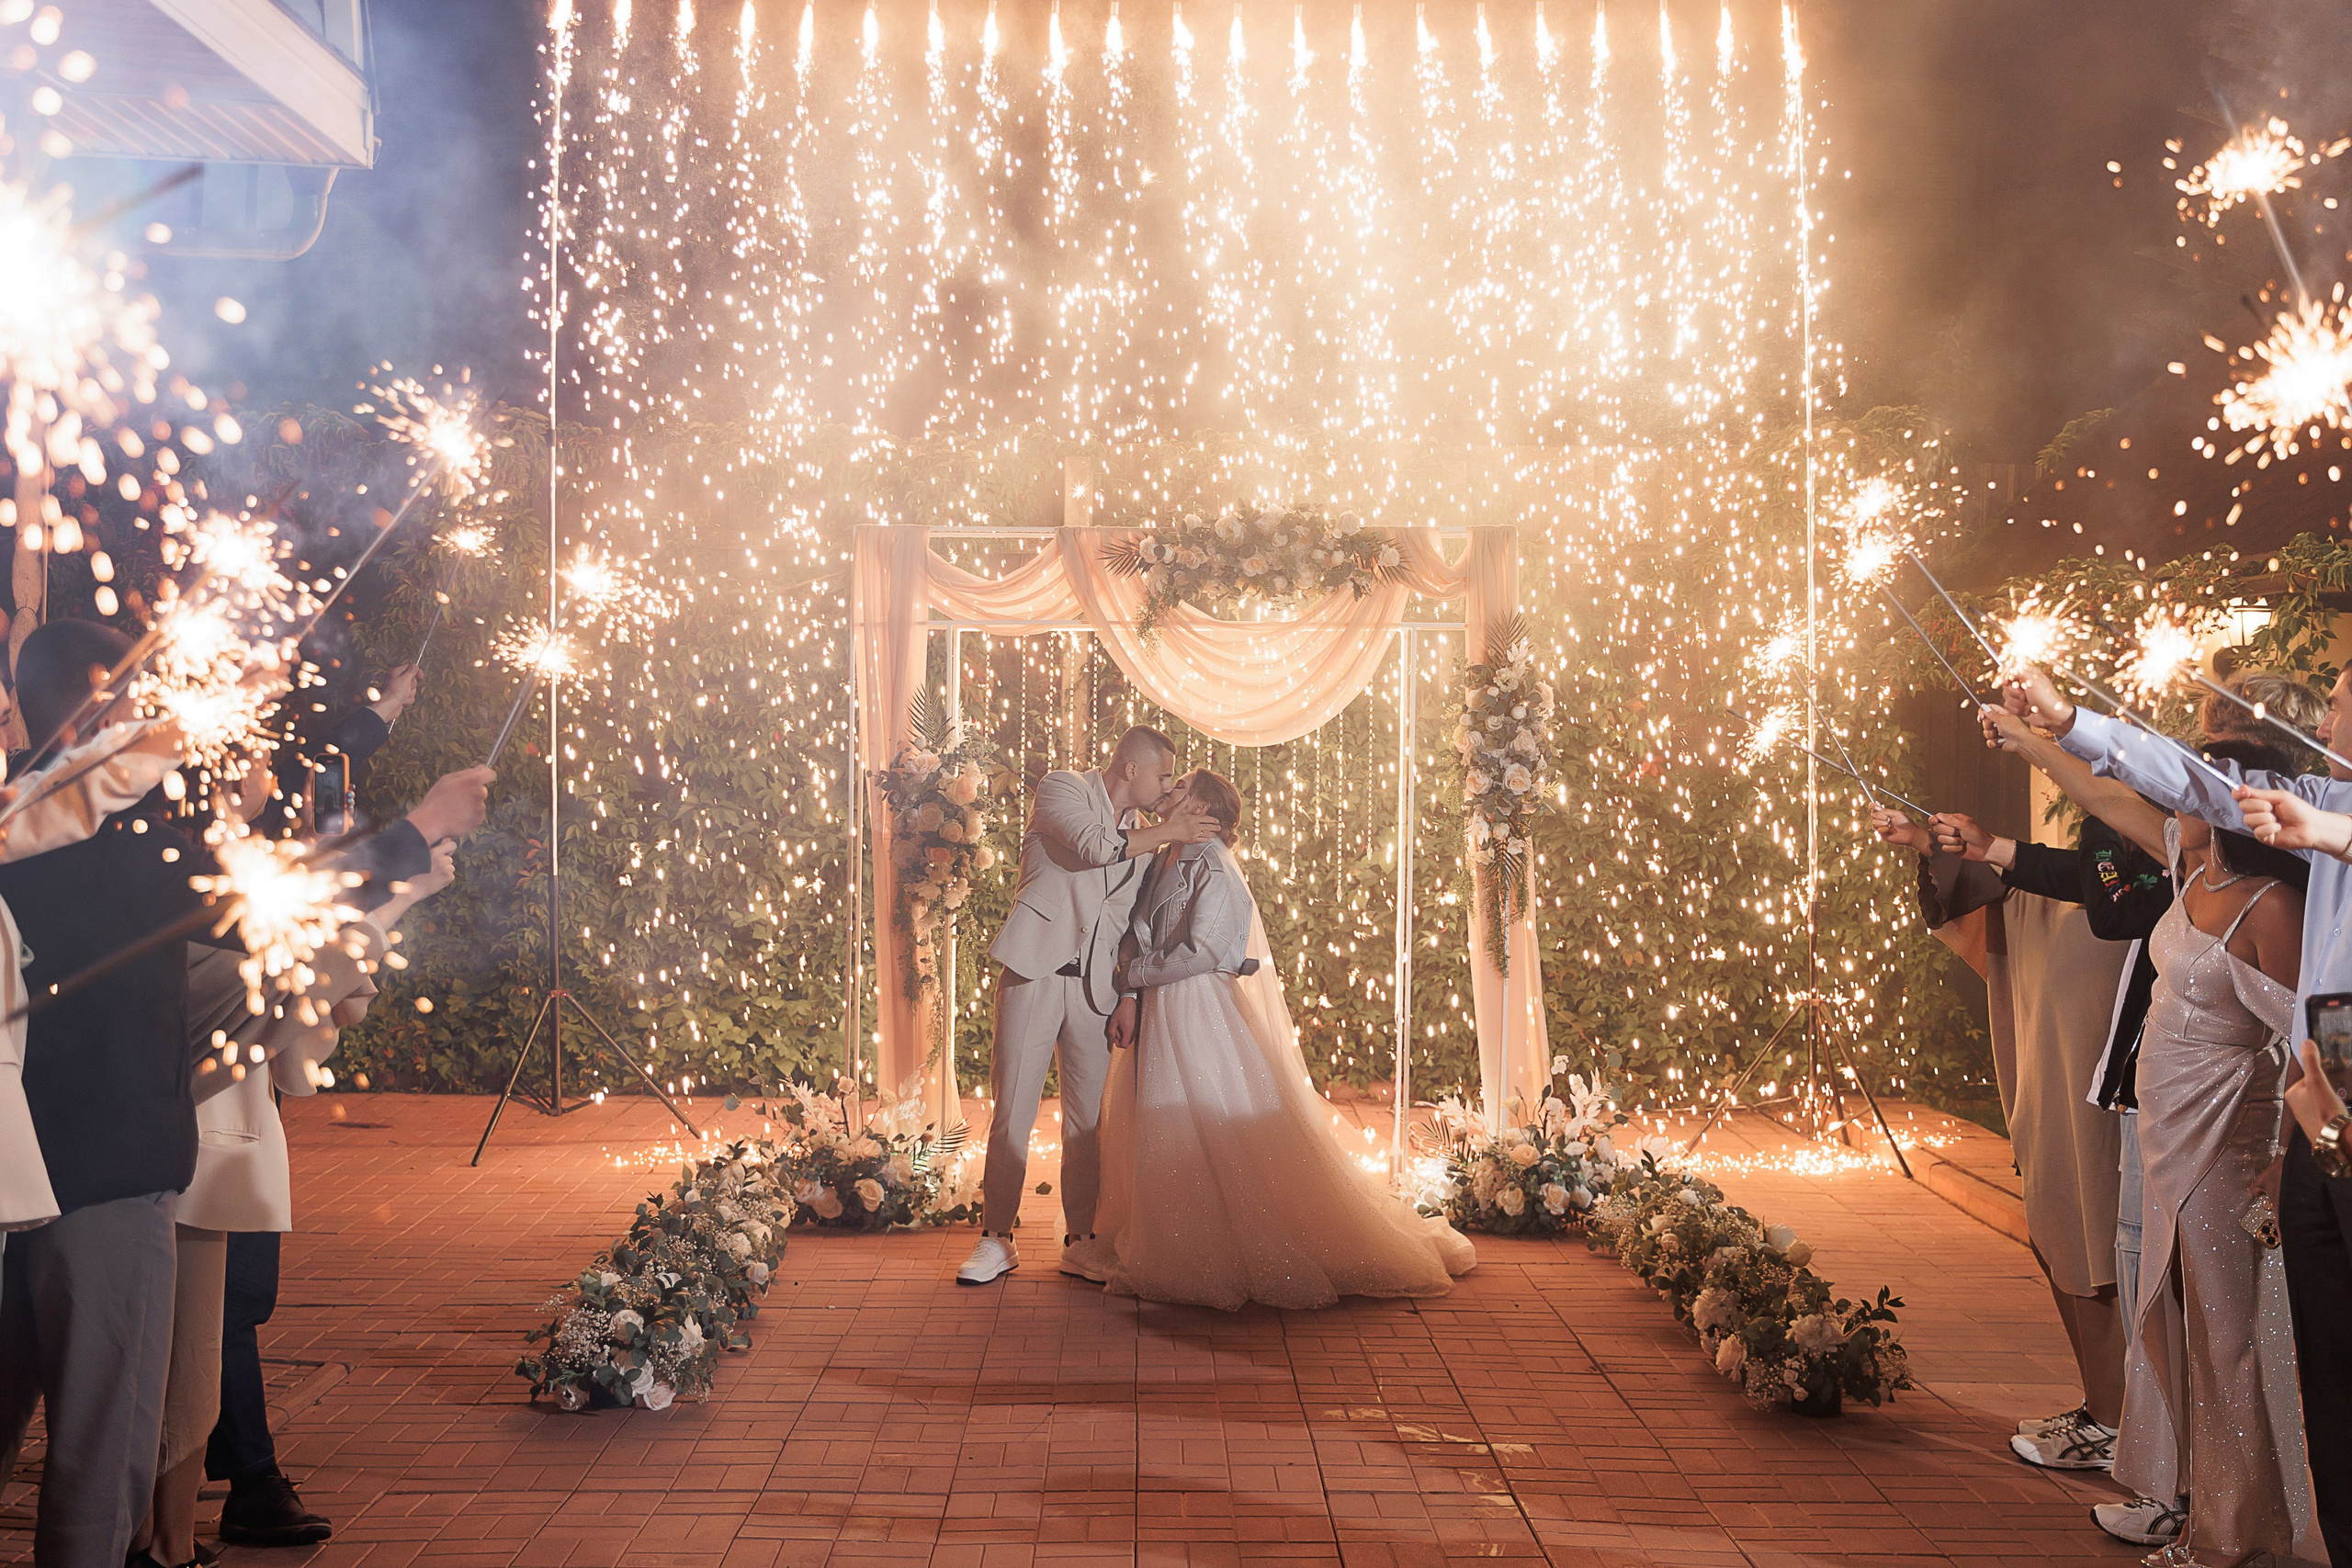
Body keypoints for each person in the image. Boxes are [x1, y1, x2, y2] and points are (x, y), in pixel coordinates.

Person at [0, 621, 489, 1568]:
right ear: (109, 712)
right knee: (100, 1469)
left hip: (20, 1177)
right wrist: (421, 828)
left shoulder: (21, 821)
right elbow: (270, 904)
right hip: (105, 1180)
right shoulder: (112, 842)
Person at [2003, 666, 2348, 1568]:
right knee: (2225, 1334)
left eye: (2345, 699)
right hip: (2222, 1121)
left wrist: (2287, 1143)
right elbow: (2151, 784)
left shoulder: (2286, 881)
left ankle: (2237, 1532)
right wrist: (2057, 728)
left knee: (2243, 1337)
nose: (2333, 710)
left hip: (2245, 1128)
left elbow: (2293, 1030)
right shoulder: (2238, 836)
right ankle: (2206, 1510)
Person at [1062, 770, 1475, 1308]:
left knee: (1197, 1115)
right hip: (1158, 1002)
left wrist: (1133, 979)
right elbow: (1138, 929)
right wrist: (1132, 993)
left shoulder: (1215, 868)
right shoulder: (1163, 855)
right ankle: (1170, 1230)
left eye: (1181, 786)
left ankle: (1207, 1243)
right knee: (1157, 1119)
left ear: (1205, 812)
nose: (1170, 789)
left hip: (1195, 1007)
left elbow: (1204, 951)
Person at [1871, 804, 2130, 1473]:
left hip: (2113, 1097)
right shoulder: (2087, 882)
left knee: (2096, 1238)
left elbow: (2077, 883)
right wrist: (1930, 842)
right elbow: (2028, 879)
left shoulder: (2145, 890)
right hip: (2059, 1084)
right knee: (2059, 1227)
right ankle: (2103, 1407)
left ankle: (2121, 1419)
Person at [958, 726, 1222, 1287]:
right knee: (1012, 1115)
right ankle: (996, 1237)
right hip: (1034, 973)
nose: (1168, 787)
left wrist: (1128, 995)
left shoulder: (1148, 839)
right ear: (1132, 769)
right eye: (1164, 776)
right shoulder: (1063, 790)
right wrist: (1171, 829)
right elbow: (1096, 848)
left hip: (1097, 992)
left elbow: (1136, 927)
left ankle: (1080, 1240)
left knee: (1087, 1124)